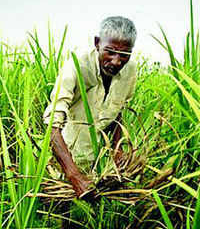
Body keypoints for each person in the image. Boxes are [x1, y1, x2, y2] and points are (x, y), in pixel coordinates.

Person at [43, 16, 137, 198]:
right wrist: (74, 175)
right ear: (97, 43)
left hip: (101, 165)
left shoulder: (130, 70)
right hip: (67, 161)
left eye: (124, 55)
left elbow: (118, 110)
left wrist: (118, 151)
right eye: (110, 52)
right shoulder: (76, 67)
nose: (117, 61)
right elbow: (52, 126)